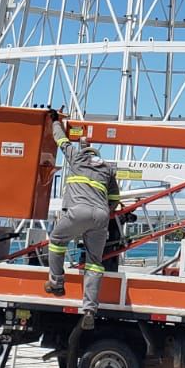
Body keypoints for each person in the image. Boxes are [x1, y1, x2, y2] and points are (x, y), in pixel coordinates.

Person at [44, 118, 121, 325]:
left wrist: (54, 121)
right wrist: (106, 211)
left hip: (78, 212)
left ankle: (56, 282)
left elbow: (61, 140)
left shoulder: (77, 159)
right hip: (101, 215)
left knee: (57, 241)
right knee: (95, 263)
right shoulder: (107, 169)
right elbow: (115, 199)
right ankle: (89, 309)